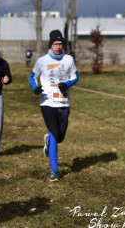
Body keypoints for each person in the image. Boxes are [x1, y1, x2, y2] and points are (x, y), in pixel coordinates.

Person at [29, 30, 79, 182]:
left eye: (60, 44)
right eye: (55, 44)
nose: (58, 47)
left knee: (60, 136)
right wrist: (35, 88)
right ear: (50, 45)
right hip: (47, 103)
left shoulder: (69, 59)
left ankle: (49, 141)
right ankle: (55, 171)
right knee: (54, 133)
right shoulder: (42, 61)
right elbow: (33, 76)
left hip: (63, 102)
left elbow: (75, 76)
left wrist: (68, 84)